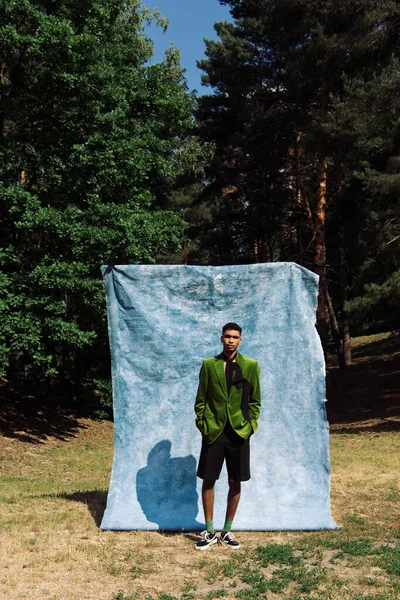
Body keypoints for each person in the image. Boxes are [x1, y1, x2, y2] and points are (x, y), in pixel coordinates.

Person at [194, 322, 261, 550]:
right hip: (213, 431)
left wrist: (250, 425)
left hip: (239, 432)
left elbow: (255, 400)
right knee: (209, 479)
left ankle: (227, 530)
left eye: (235, 337)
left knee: (235, 481)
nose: (231, 340)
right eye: (227, 336)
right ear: (221, 338)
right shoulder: (209, 365)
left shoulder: (251, 366)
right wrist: (203, 424)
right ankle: (210, 531)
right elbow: (201, 399)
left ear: (240, 340)